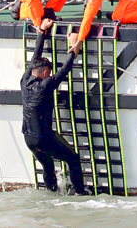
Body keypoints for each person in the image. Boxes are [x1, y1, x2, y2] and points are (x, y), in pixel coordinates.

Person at [21, 18, 88, 196]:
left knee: (48, 164)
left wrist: (42, 32)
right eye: (48, 73)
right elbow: (64, 71)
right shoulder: (45, 85)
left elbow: (35, 58)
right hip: (43, 137)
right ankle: (81, 193)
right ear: (45, 74)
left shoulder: (25, 80)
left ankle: (52, 194)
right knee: (73, 158)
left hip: (28, 138)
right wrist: (75, 46)